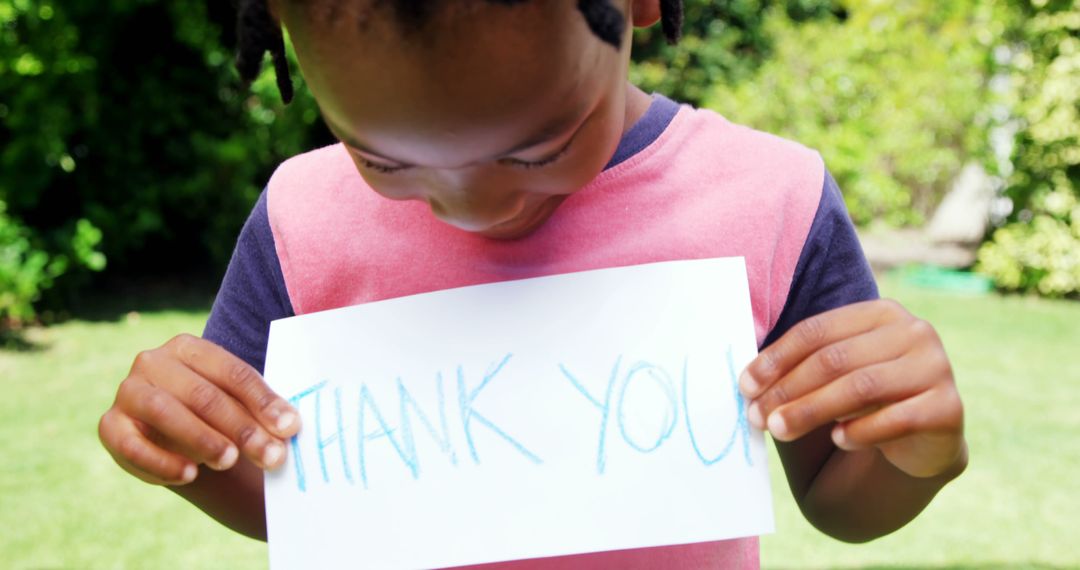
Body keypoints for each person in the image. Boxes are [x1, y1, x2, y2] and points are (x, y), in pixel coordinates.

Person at [98, 0, 968, 566]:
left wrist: (914, 454)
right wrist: (193, 451)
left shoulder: (771, 200)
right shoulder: (300, 220)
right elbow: (298, 504)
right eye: (384, 159)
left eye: (537, 148)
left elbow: (837, 501)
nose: (470, 207)